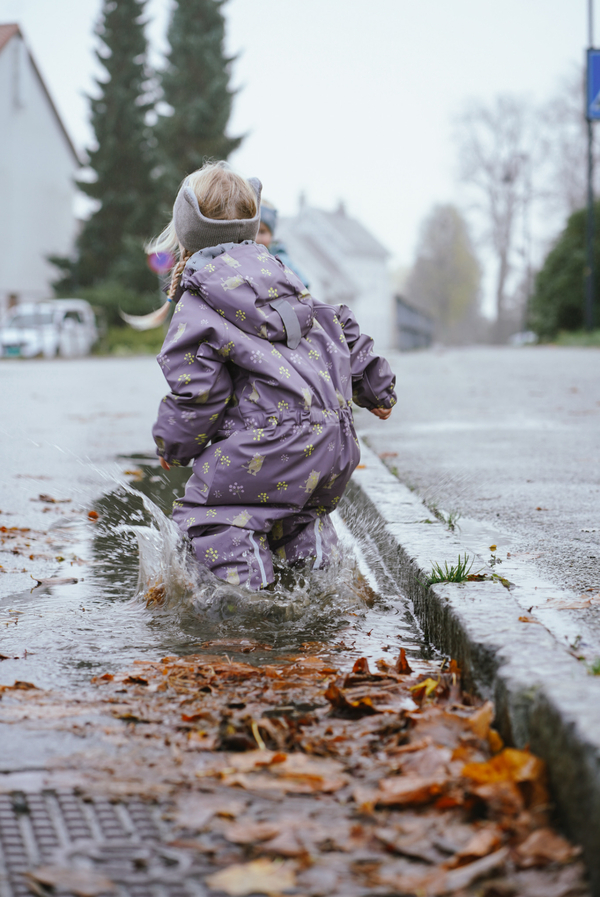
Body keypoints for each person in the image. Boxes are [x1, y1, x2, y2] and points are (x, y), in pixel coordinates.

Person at [148, 161, 396, 590]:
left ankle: (250, 606)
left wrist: (174, 442)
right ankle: (318, 579)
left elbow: (197, 395)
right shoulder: (280, 274)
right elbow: (336, 321)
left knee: (214, 518)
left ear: (187, 228)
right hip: (332, 443)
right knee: (295, 516)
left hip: (268, 442)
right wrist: (375, 386)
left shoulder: (200, 301)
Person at [256, 200, 309, 287]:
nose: (257, 238)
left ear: (271, 235)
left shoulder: (281, 260)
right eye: (254, 232)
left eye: (262, 232)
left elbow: (303, 283)